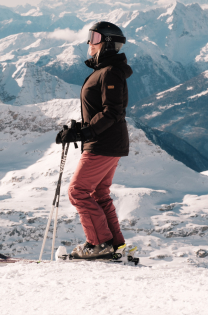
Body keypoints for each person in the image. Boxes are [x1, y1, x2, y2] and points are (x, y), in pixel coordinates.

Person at [56, 21, 133, 259]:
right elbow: (102, 111)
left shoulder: (110, 72)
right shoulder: (104, 71)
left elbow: (112, 111)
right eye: (90, 36)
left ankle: (99, 244)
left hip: (103, 143)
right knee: (99, 193)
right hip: (107, 142)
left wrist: (85, 133)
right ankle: (115, 244)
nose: (90, 41)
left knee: (78, 191)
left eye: (95, 37)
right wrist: (78, 129)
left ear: (107, 43)